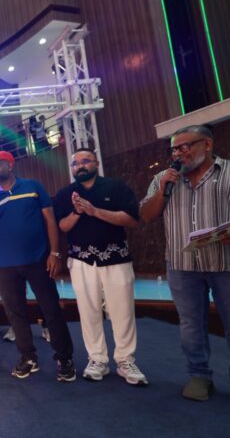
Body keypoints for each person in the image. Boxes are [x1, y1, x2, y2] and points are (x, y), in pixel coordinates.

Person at [139, 125, 230, 413]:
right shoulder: (163, 178)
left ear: (208, 144)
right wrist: (161, 191)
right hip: (182, 267)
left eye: (186, 146)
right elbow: (146, 215)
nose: (179, 153)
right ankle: (199, 376)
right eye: (175, 148)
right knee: (190, 326)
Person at [55, 148, 147, 385]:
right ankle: (97, 359)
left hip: (116, 259)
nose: (80, 166)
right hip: (81, 260)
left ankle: (125, 360)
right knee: (88, 312)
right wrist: (77, 212)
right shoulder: (66, 193)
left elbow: (132, 219)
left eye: (85, 161)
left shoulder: (115, 187)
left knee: (122, 312)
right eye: (75, 164)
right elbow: (62, 226)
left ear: (96, 163)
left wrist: (95, 211)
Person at [0, 151, 76, 382]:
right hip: (6, 265)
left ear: (10, 165)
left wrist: (54, 253)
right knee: (16, 314)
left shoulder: (32, 186)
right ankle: (28, 357)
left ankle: (64, 358)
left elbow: (50, 220)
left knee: (51, 310)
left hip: (38, 260)